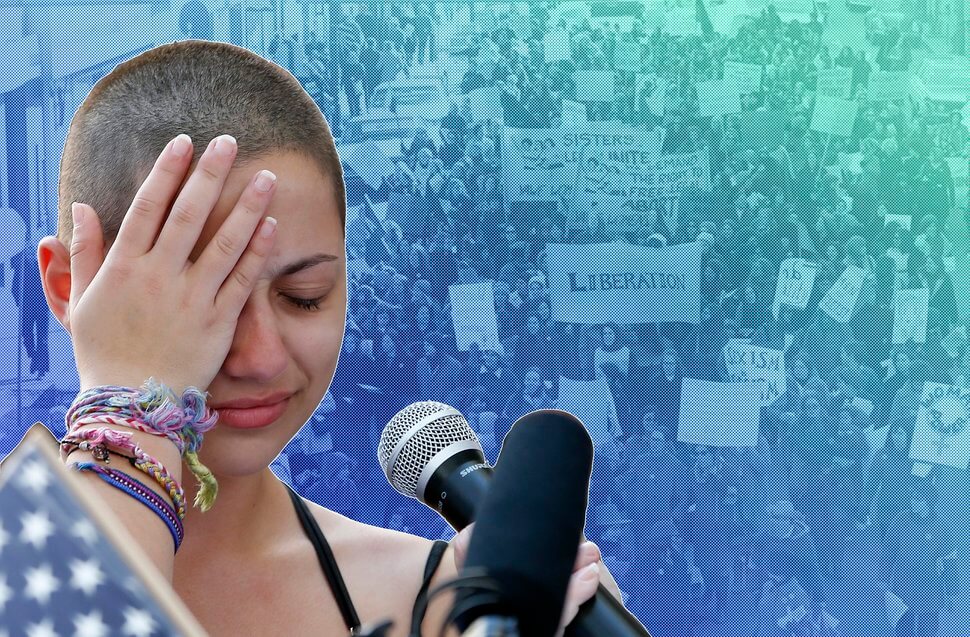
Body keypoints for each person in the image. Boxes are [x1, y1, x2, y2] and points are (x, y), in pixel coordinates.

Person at [34, 41, 619, 636]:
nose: (260, 358)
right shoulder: (26, 565)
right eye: (206, 299)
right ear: (68, 286)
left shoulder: (439, 601)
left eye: (305, 296)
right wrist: (132, 410)